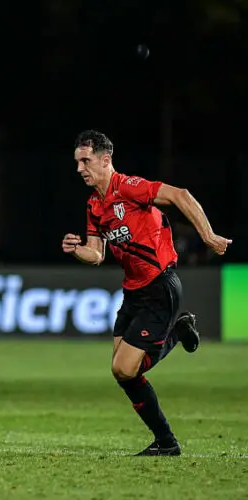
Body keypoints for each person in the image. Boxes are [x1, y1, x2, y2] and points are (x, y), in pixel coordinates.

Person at [62, 130, 231, 456]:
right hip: (133, 292)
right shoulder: (95, 205)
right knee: (121, 370)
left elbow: (180, 195)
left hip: (159, 287)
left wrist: (208, 237)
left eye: (86, 160)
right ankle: (165, 442)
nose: (80, 168)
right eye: (77, 162)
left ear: (105, 159)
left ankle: (176, 336)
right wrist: (77, 249)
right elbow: (97, 254)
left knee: (126, 368)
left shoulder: (128, 187)